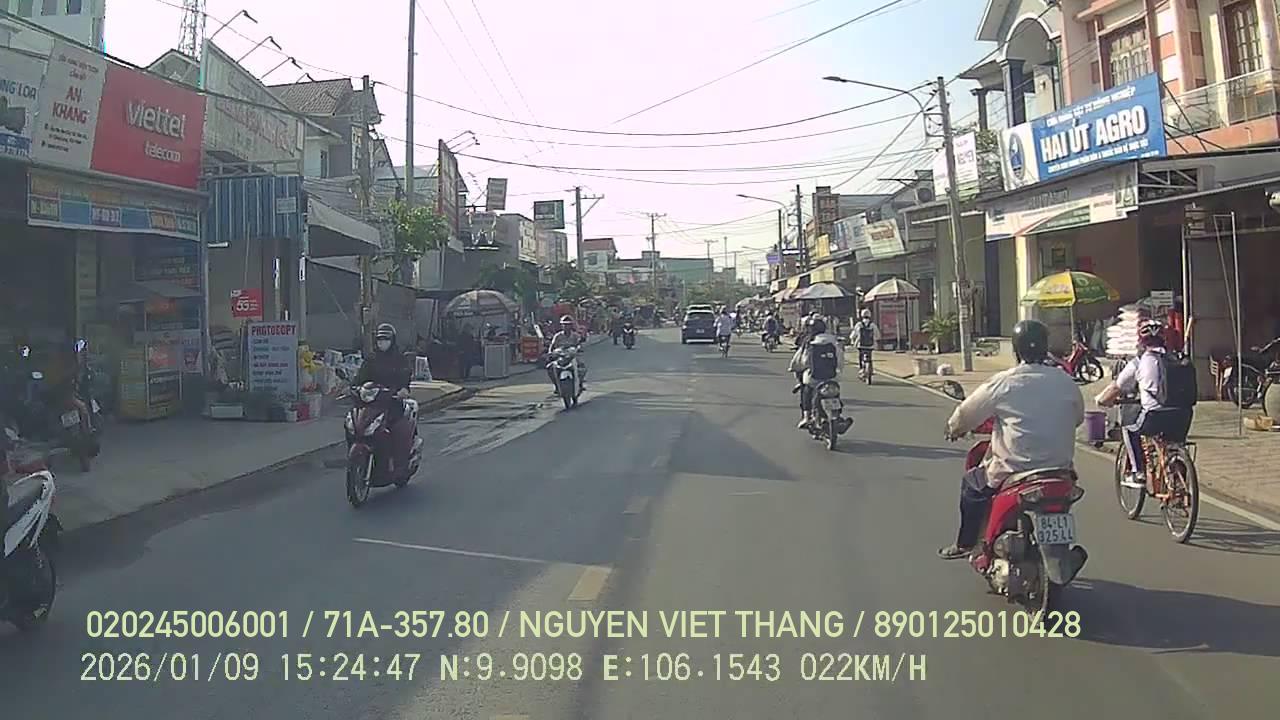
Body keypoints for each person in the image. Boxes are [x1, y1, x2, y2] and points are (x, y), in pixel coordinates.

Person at [938, 319, 1084, 560]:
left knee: (971, 486)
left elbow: (966, 414)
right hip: (1061, 470)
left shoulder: (1004, 382)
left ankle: (965, 544)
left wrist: (954, 428)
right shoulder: (1066, 381)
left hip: (1015, 469)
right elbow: (1078, 418)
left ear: (1016, 350)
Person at [1095, 318, 1194, 489]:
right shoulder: (1176, 358)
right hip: (1184, 413)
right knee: (1175, 444)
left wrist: (1101, 400)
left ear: (1141, 341)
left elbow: (1116, 387)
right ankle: (1179, 480)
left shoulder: (1139, 361)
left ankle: (1137, 472)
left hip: (1154, 414)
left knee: (1129, 429)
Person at [353, 323, 414, 470]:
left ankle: (398, 465)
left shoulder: (400, 359)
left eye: (386, 339)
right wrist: (353, 388)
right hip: (371, 403)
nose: (382, 342)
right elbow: (360, 378)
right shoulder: (371, 359)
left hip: (392, 403)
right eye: (380, 339)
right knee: (354, 423)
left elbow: (405, 377)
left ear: (392, 341)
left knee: (398, 430)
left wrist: (403, 390)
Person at [788, 318, 844, 429]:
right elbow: (840, 359)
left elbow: (802, 360)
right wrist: (838, 370)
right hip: (832, 377)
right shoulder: (833, 341)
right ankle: (837, 415)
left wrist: (794, 368)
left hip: (813, 378)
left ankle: (806, 417)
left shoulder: (809, 342)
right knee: (835, 392)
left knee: (806, 390)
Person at [547, 316, 587, 392]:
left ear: (571, 326)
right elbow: (552, 346)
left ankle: (580, 384)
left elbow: (579, 344)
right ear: (562, 326)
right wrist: (550, 353)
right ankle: (557, 385)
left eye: (568, 325)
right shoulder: (558, 336)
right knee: (550, 368)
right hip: (560, 357)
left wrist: (579, 348)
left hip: (572, 356)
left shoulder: (575, 335)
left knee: (582, 368)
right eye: (564, 325)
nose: (566, 327)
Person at [850, 308, 880, 374]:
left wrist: (852, 339)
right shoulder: (873, 325)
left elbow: (853, 335)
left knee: (860, 356)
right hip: (870, 345)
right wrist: (876, 340)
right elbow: (878, 335)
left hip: (861, 345)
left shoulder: (859, 324)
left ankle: (861, 368)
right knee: (870, 357)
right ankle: (871, 370)